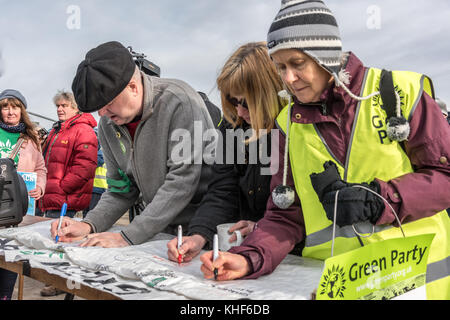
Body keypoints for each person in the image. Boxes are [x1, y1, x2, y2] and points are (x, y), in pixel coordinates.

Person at [200, 1, 450, 300]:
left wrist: (381, 200)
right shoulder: (287, 124)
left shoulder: (397, 92)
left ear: (326, 55)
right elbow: (284, 215)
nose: (289, 78)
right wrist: (249, 256)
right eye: (281, 67)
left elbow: (444, 175)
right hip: (337, 284)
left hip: (413, 280)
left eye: (297, 63)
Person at [50, 41, 215, 248]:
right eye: (98, 109)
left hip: (201, 232)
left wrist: (127, 236)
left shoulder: (179, 102)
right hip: (160, 233)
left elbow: (182, 181)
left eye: (107, 104)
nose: (102, 114)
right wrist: (89, 224)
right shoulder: (108, 125)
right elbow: (121, 188)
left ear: (133, 87)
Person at [167, 42, 287, 262]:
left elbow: (297, 206)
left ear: (269, 94)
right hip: (243, 249)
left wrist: (262, 228)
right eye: (233, 101)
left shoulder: (294, 128)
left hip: (290, 250)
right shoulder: (232, 127)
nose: (240, 111)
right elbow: (223, 189)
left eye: (247, 103)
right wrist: (198, 235)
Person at [0, 89, 47, 300]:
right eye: (5, 107)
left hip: (17, 211)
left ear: (22, 110)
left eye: (15, 106)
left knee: (10, 260)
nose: (10, 112)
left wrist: (40, 187)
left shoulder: (30, 138)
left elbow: (41, 168)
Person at [38, 91, 98, 219]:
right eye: (57, 106)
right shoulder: (56, 130)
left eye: (64, 106)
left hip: (64, 199)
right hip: (51, 196)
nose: (59, 109)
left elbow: (85, 166)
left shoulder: (83, 130)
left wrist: (63, 188)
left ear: (76, 108)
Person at [82, 127, 107, 218]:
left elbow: (94, 162)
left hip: (98, 188)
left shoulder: (102, 152)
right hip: (89, 188)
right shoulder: (95, 151)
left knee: (92, 214)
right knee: (86, 213)